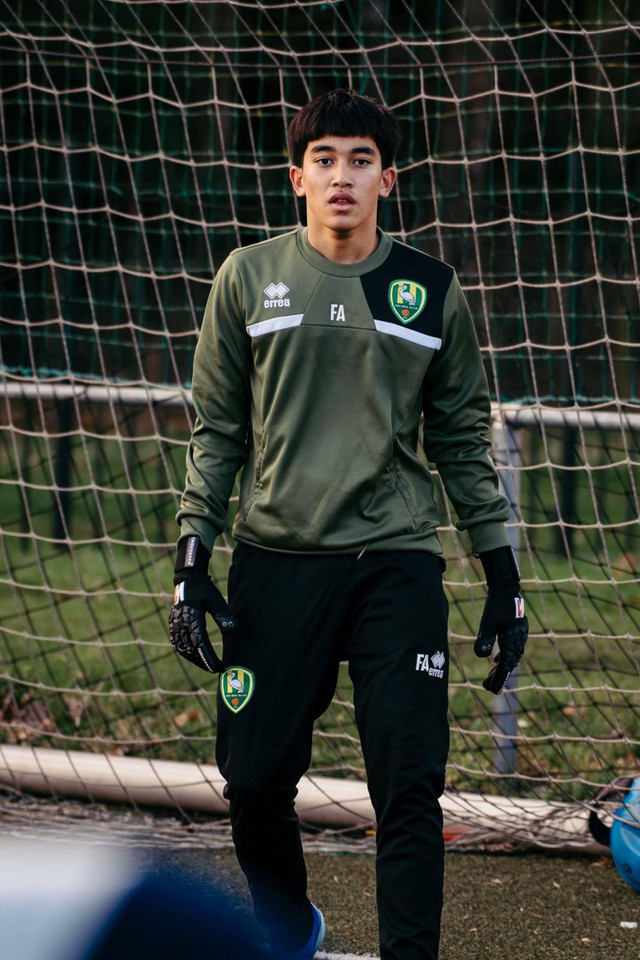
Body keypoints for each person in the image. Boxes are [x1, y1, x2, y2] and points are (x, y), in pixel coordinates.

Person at [169, 89, 528, 960]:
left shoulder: (432, 291)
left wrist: (503, 574)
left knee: (408, 787)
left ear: (388, 179)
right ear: (297, 178)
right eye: (324, 159)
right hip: (275, 560)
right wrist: (191, 559)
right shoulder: (247, 278)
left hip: (393, 563)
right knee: (253, 782)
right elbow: (216, 433)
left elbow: (459, 442)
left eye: (360, 160)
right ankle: (289, 932)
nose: (342, 176)